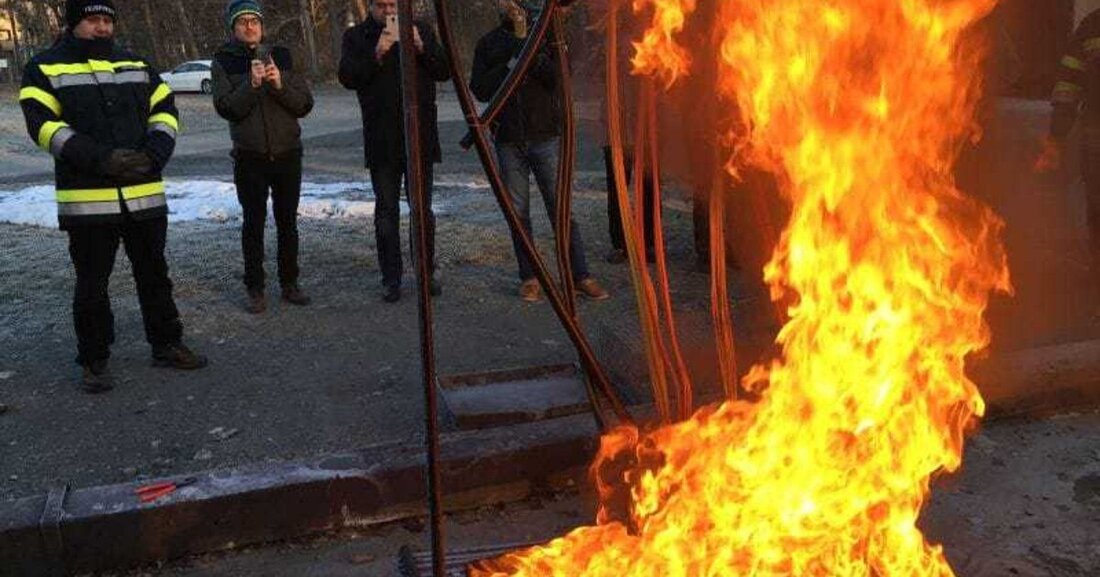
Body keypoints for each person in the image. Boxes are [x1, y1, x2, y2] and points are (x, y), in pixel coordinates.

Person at [18, 0, 207, 394]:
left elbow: (166, 111)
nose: (102, 28)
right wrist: (100, 158)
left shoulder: (137, 65)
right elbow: (44, 127)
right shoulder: (44, 67)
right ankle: (94, 360)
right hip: (89, 200)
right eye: (92, 20)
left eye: (107, 20)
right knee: (92, 285)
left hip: (144, 195)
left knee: (156, 277)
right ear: (74, 24)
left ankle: (167, 343)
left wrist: (156, 154)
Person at [470, 0, 609, 303]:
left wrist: (527, 50)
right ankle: (529, 277)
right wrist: (511, 60)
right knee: (518, 213)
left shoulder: (547, 35)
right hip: (508, 139)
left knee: (561, 208)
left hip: (545, 135)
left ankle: (579, 274)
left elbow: (558, 78)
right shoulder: (489, 43)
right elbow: (480, 88)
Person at [338, 0, 451, 303]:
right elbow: (347, 76)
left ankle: (426, 272)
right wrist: (377, 52)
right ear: (371, 6)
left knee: (422, 211)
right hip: (382, 139)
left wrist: (422, 46)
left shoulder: (421, 28)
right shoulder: (357, 37)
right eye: (382, 5)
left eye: (394, 4)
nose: (389, 11)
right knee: (386, 212)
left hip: (419, 137)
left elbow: (444, 71)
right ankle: (391, 277)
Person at [212, 0, 315, 314]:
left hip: (287, 154)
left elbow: (304, 105)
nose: (248, 26)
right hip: (250, 156)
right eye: (242, 21)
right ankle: (255, 288)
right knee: (253, 224)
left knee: (288, 223)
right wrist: (252, 84)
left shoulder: (282, 55)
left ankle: (290, 282)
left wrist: (279, 84)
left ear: (261, 25)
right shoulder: (223, 60)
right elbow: (227, 108)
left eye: (253, 21)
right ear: (233, 27)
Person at [1036, 8, 1100, 316]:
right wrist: (1056, 136)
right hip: (1096, 138)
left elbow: (1068, 86)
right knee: (1097, 206)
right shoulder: (1091, 27)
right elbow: (1068, 85)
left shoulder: (1090, 26)